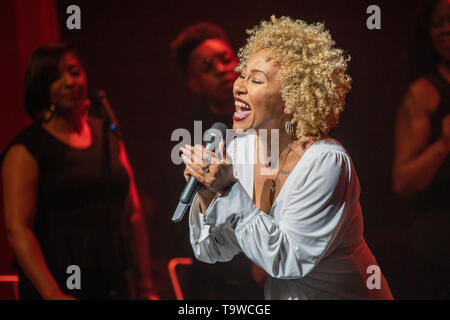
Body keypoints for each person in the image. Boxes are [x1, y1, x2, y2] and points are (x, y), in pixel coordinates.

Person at [181, 16, 393, 300]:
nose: (238, 86)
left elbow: (289, 259)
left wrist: (228, 189)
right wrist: (208, 193)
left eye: (255, 80)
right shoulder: (240, 153)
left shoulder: (327, 162)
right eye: (242, 75)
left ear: (293, 98)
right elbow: (211, 251)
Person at [1, 43, 158, 299]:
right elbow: (18, 229)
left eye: (74, 72)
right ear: (40, 87)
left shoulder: (107, 136)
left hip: (114, 279)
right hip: (59, 281)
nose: (69, 82)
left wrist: (146, 285)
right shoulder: (27, 149)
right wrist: (53, 294)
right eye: (55, 77)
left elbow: (134, 212)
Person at [168, 22, 264, 299]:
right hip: (224, 282)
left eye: (226, 59)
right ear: (193, 83)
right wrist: (249, 269)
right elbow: (186, 225)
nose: (223, 70)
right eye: (207, 67)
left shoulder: (267, 121)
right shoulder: (189, 137)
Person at [393, 0, 450, 299]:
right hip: (441, 231)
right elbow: (402, 181)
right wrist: (443, 146)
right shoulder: (424, 94)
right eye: (438, 22)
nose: (446, 29)